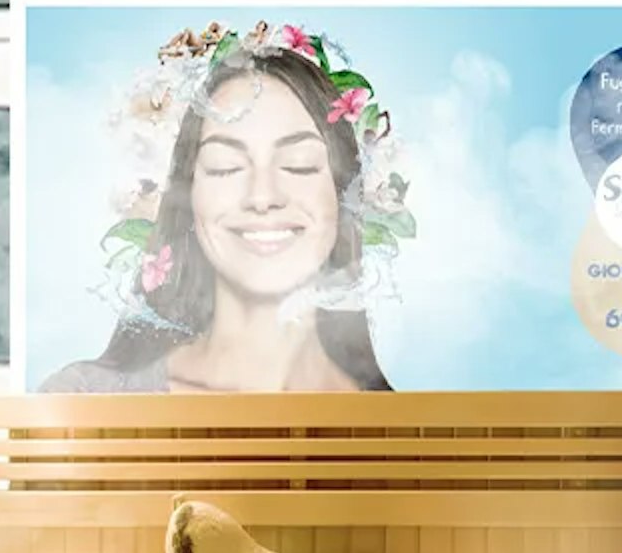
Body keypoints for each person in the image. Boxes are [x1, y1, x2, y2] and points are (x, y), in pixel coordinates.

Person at [37, 21, 409, 394]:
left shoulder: (406, 435)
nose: (262, 196)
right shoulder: (86, 399)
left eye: (298, 163)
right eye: (225, 167)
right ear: (188, 196)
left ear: (345, 194)